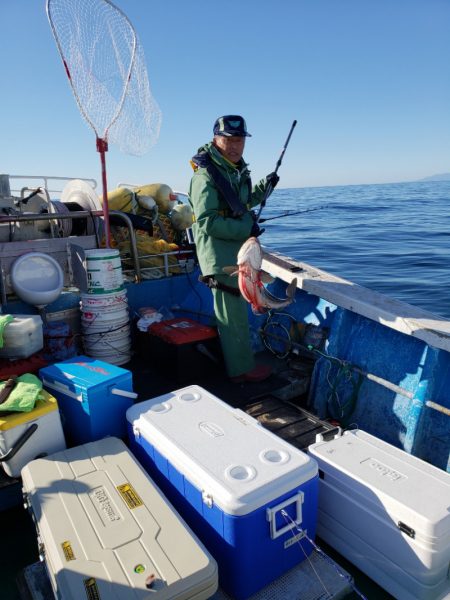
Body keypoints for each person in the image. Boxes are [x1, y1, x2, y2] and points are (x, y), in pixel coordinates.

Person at [189, 115, 279, 382]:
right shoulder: (205, 176)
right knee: (234, 316)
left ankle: (216, 354)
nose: (234, 145)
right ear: (216, 139)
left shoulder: (233, 170)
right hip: (219, 256)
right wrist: (246, 228)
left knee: (229, 312)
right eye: (227, 139)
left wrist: (264, 188)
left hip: (235, 252)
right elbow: (207, 222)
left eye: (238, 140)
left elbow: (240, 205)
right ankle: (241, 371)